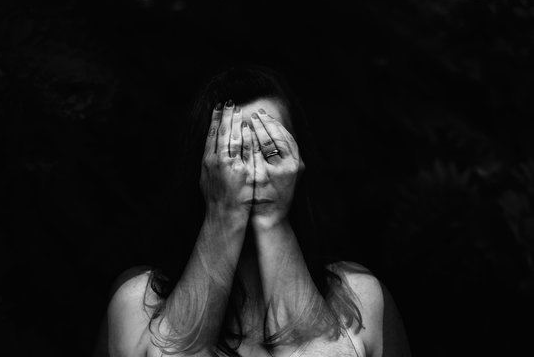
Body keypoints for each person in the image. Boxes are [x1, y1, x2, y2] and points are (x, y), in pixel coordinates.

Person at [97, 65, 411, 357]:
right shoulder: (139, 301)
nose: (255, 173)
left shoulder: (360, 297)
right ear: (203, 168)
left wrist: (272, 218)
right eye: (230, 153)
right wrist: (224, 216)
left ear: (298, 167)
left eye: (271, 150)